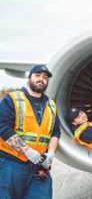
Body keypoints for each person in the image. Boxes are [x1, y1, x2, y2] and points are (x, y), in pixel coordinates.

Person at [0, 64, 61, 199]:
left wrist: (50, 154)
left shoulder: (51, 105)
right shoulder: (12, 99)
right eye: (37, 75)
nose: (41, 79)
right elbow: (2, 127)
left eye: (45, 77)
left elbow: (55, 133)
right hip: (12, 164)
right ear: (29, 78)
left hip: (39, 167)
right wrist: (27, 151)